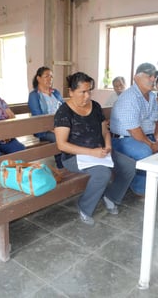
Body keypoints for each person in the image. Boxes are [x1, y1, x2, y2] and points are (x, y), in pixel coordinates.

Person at [54, 72, 135, 226]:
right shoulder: (64, 112)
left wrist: (108, 145)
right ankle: (84, 207)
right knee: (102, 173)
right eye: (82, 92)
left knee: (129, 166)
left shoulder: (96, 106)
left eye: (89, 91)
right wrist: (92, 152)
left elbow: (105, 131)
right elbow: (62, 145)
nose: (87, 96)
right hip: (74, 157)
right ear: (70, 92)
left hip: (100, 152)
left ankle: (111, 196)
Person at [110, 63, 158, 196]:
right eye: (149, 76)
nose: (153, 79)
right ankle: (139, 188)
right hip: (125, 139)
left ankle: (154, 181)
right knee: (145, 151)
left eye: (154, 76)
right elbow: (134, 130)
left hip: (146, 135)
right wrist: (150, 144)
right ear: (136, 78)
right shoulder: (129, 97)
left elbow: (156, 121)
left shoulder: (152, 97)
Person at [28, 66, 64, 168]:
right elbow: (38, 116)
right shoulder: (34, 95)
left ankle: (73, 164)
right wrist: (52, 128)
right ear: (38, 78)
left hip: (60, 126)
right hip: (44, 129)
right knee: (60, 139)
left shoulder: (55, 92)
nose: (50, 79)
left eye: (51, 76)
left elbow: (64, 108)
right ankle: (62, 167)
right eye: (46, 76)